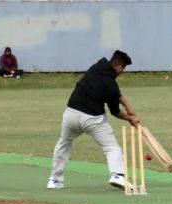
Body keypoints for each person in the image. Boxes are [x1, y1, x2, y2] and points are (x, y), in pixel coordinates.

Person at [47, 50, 139, 191]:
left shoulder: (98, 66)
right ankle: (118, 175)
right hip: (93, 120)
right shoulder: (110, 84)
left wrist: (128, 107)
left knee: (64, 142)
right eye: (123, 68)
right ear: (119, 66)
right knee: (111, 147)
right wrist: (129, 118)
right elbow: (115, 112)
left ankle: (54, 179)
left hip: (70, 114)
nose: (123, 72)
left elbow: (117, 94)